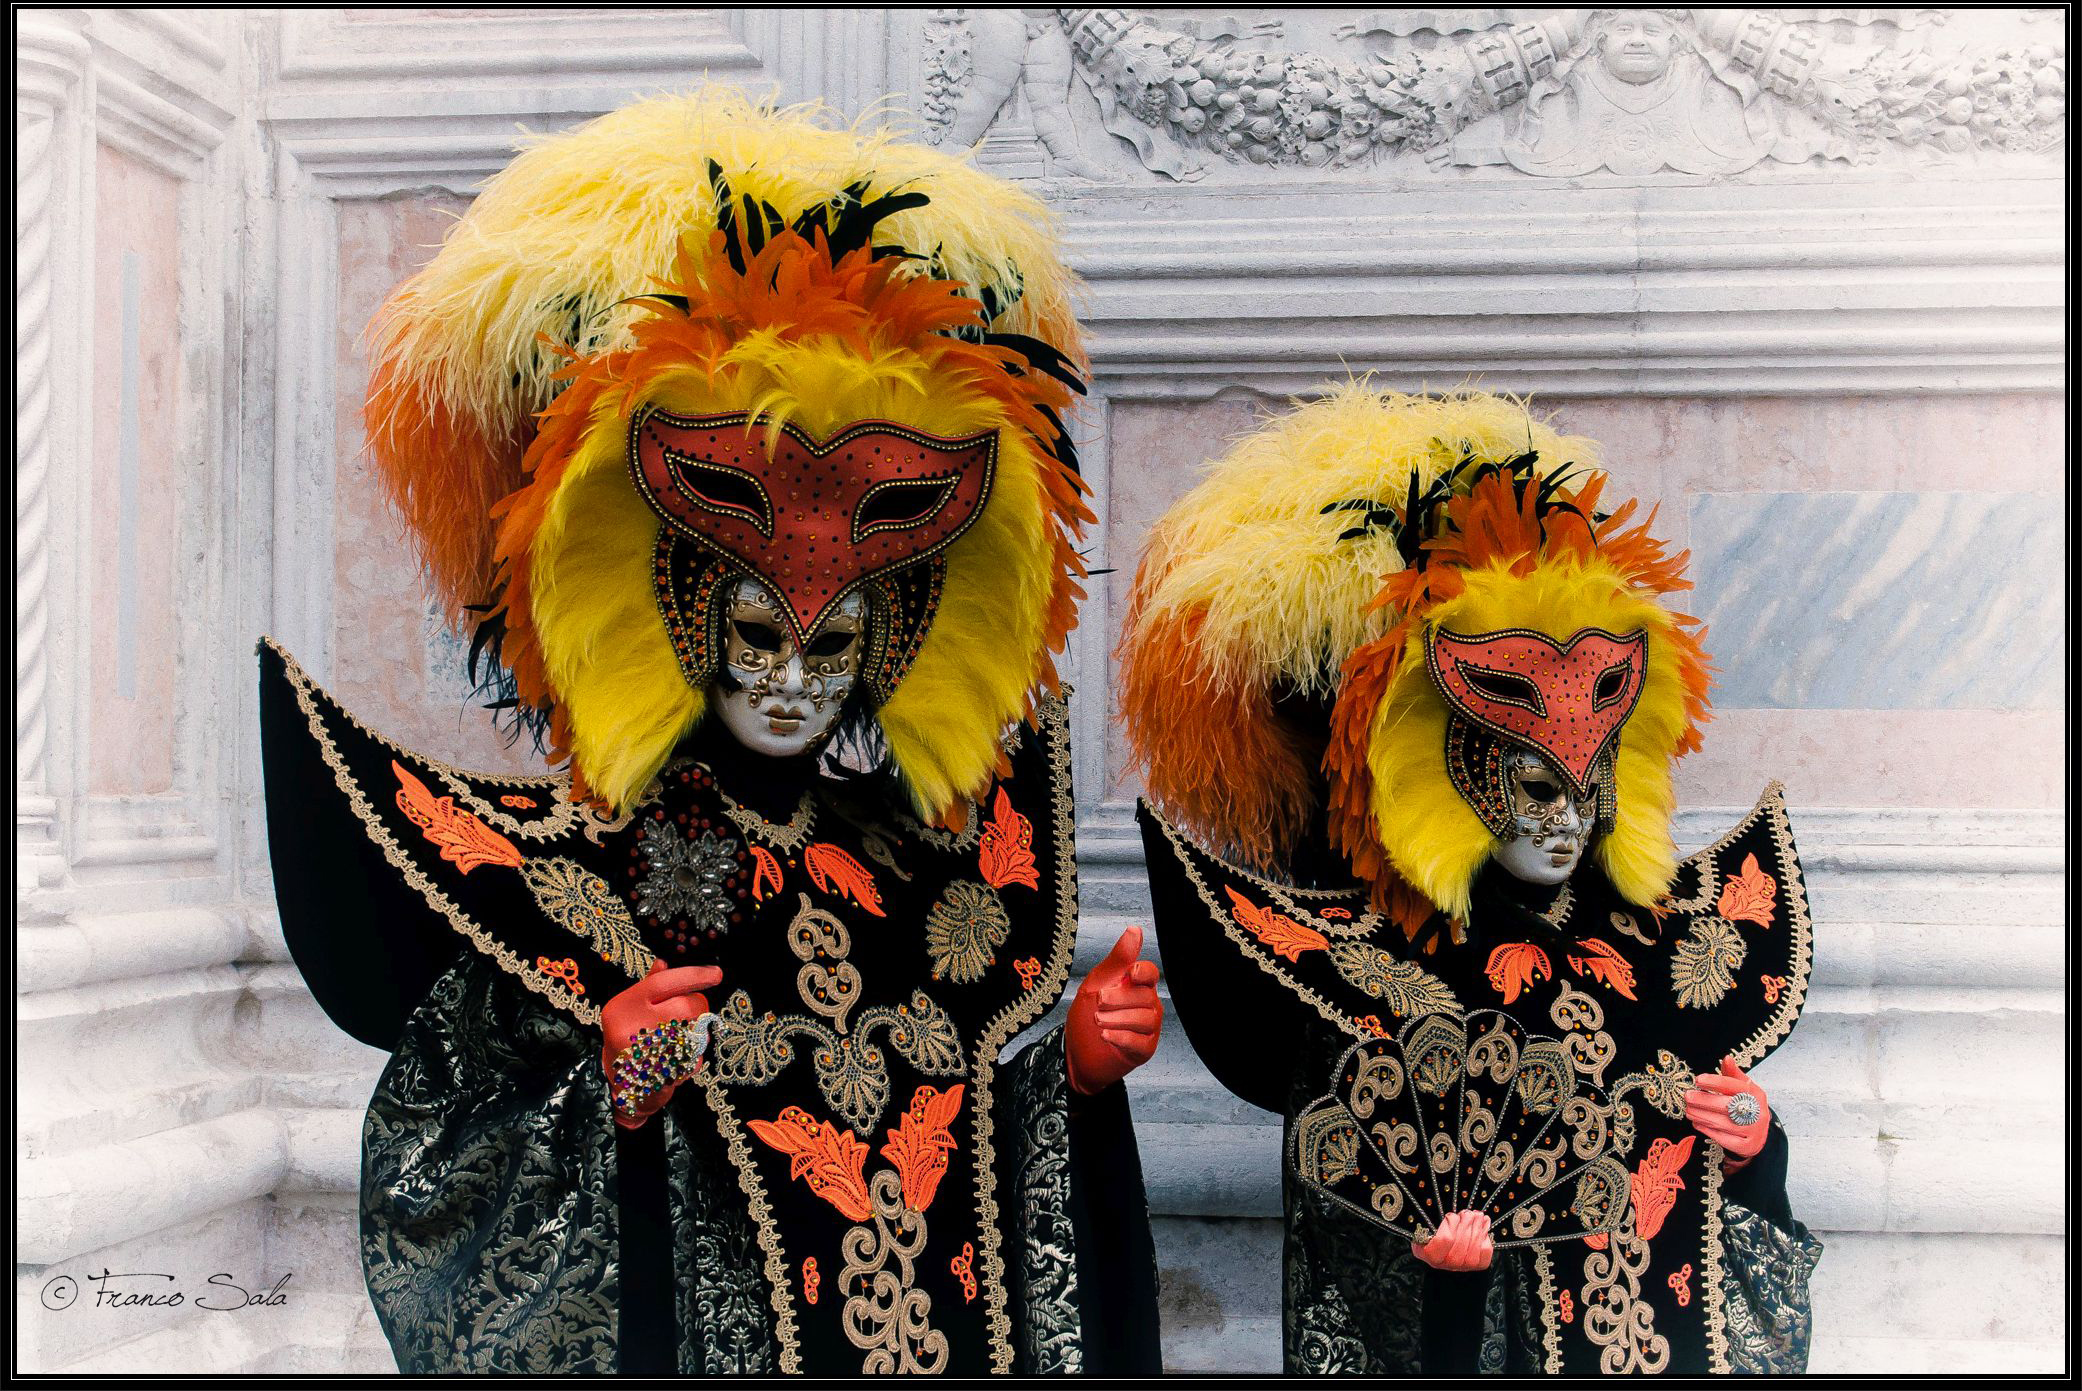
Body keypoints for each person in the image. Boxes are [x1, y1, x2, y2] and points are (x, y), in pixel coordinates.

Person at [258, 88, 1163, 1375]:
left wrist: (1068, 1076)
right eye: (758, 635)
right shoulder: (569, 879)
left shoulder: (920, 875)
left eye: (833, 644)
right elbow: (445, 1168)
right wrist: (604, 1104)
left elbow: (953, 1167)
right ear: (684, 613)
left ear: (891, 642)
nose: (793, 680)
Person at [1119, 385, 1820, 1373]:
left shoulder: (1669, 941)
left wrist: (1754, 1149)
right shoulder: (1377, 973)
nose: (1565, 814)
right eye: (1534, 780)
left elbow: (1718, 1224)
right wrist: (1444, 1290)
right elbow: (1356, 1257)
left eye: (1589, 780)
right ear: (1456, 764)